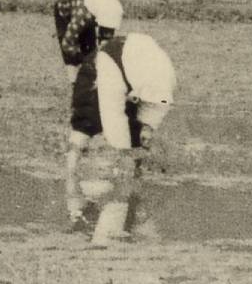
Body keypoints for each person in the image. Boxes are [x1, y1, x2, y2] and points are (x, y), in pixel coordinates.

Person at [65, 24, 175, 224]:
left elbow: (158, 105)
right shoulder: (110, 69)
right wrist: (123, 152)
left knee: (135, 135)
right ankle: (70, 173)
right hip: (111, 62)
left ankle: (133, 178)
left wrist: (147, 130)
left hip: (135, 72)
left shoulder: (161, 86)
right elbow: (113, 117)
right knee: (87, 119)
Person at [53, 0, 112, 82]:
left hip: (78, 15)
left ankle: (78, 79)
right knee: (86, 47)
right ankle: (85, 77)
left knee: (70, 45)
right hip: (83, 14)